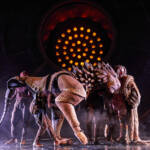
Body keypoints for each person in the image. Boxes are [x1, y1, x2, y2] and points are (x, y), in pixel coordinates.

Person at [5, 71, 33, 145]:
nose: (23, 77)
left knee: (25, 122)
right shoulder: (17, 83)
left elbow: (32, 94)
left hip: (25, 104)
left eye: (25, 76)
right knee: (13, 121)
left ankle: (23, 139)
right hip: (17, 103)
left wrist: (29, 94)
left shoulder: (28, 84)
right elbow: (15, 92)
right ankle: (14, 138)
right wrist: (10, 99)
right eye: (22, 76)